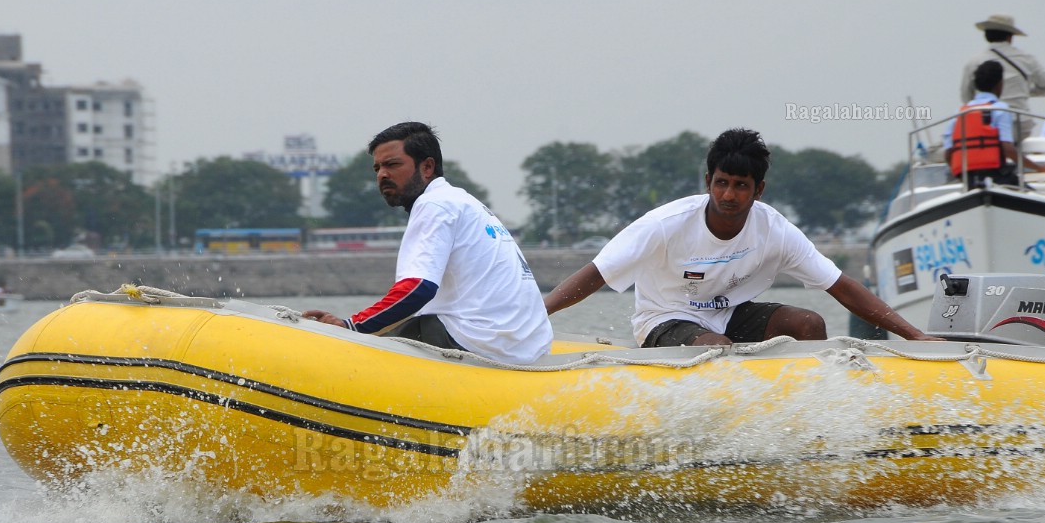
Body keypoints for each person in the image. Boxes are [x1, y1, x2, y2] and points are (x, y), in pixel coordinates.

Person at [543, 128, 941, 347]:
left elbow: (842, 287)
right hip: (663, 320)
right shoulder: (665, 224)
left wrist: (914, 335)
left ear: (759, 190)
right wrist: (533, 315)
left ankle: (804, 425)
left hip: (728, 313)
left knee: (809, 323)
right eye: (721, 183)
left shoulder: (775, 230)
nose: (728, 196)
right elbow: (595, 273)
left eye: (740, 186)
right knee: (716, 348)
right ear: (708, 182)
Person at [303, 122, 553, 364]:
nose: (382, 175)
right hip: (525, 347)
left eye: (392, 165)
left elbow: (417, 288)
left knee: (354, 356)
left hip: (479, 343)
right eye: (377, 168)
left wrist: (350, 325)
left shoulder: (433, 205)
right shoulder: (464, 202)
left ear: (427, 167)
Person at [945, 60, 1045, 188]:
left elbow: (948, 154)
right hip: (996, 177)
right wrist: (1039, 168)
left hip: (968, 180)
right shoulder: (999, 109)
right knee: (1032, 194)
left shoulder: (959, 113)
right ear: (1000, 84)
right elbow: (1008, 150)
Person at [960, 14, 1045, 142]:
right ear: (1009, 37)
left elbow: (966, 97)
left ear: (986, 35)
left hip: (987, 123)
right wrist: (1025, 92)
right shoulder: (1026, 59)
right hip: (1019, 123)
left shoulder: (974, 61)